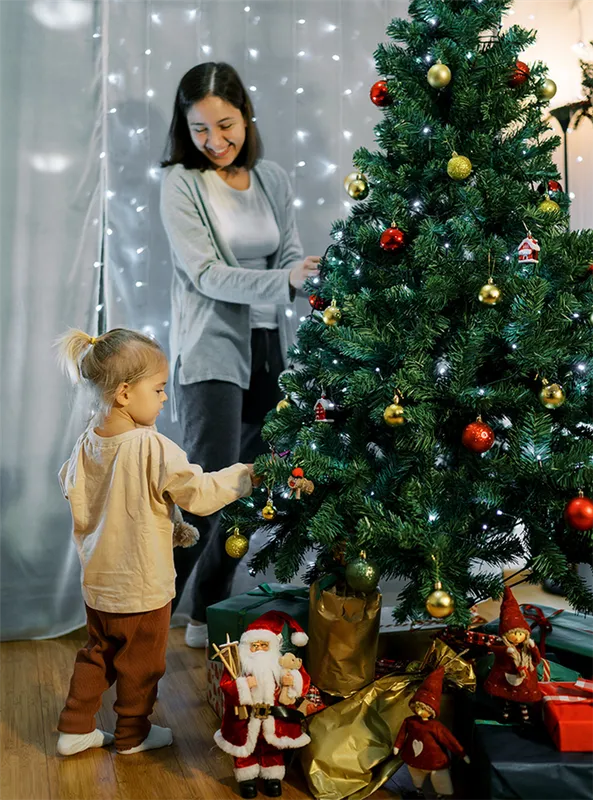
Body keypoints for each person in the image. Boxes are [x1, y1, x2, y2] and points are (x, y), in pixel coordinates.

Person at [160, 61, 320, 648]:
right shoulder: (181, 182)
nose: (216, 141)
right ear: (186, 130)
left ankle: (206, 612)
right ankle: (150, 626)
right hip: (211, 355)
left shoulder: (272, 178)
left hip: (267, 349)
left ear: (246, 116)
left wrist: (302, 275)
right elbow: (202, 273)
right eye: (200, 130)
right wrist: (283, 281)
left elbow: (293, 254)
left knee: (251, 491)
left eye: (225, 126)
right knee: (202, 496)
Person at [54, 327, 258, 756]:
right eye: (160, 389)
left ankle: (74, 726)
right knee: (142, 665)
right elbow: (200, 494)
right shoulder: (152, 446)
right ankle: (132, 734)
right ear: (126, 393)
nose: (165, 398)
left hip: (98, 582)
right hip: (142, 587)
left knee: (99, 652)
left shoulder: (88, 440)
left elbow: (66, 483)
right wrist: (245, 476)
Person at [213, 611, 311, 798]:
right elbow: (225, 685)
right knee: (244, 747)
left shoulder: (282, 665)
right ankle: (246, 778)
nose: (258, 649)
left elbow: (303, 681)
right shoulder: (237, 666)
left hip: (274, 717)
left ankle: (272, 777)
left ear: (273, 647)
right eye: (253, 645)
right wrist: (242, 685)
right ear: (245, 646)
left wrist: (294, 682)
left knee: (271, 745)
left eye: (263, 645)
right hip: (245, 718)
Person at [393, 667, 469, 799]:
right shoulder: (410, 721)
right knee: (416, 775)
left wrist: (461, 753)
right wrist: (397, 746)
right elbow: (401, 734)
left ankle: (442, 795)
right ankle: (419, 792)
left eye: (423, 708)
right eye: (417, 706)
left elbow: (449, 740)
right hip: (413, 756)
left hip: (434, 760)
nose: (419, 711)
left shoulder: (435, 726)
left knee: (439, 777)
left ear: (432, 710)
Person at [484, 586, 542, 723]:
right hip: (507, 678)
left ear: (526, 634)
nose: (517, 638)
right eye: (513, 634)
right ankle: (505, 716)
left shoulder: (526, 649)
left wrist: (534, 648)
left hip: (524, 678)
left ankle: (525, 719)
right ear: (505, 635)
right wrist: (506, 652)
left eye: (520, 633)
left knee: (522, 700)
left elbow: (536, 660)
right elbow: (497, 652)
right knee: (507, 700)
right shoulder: (502, 646)